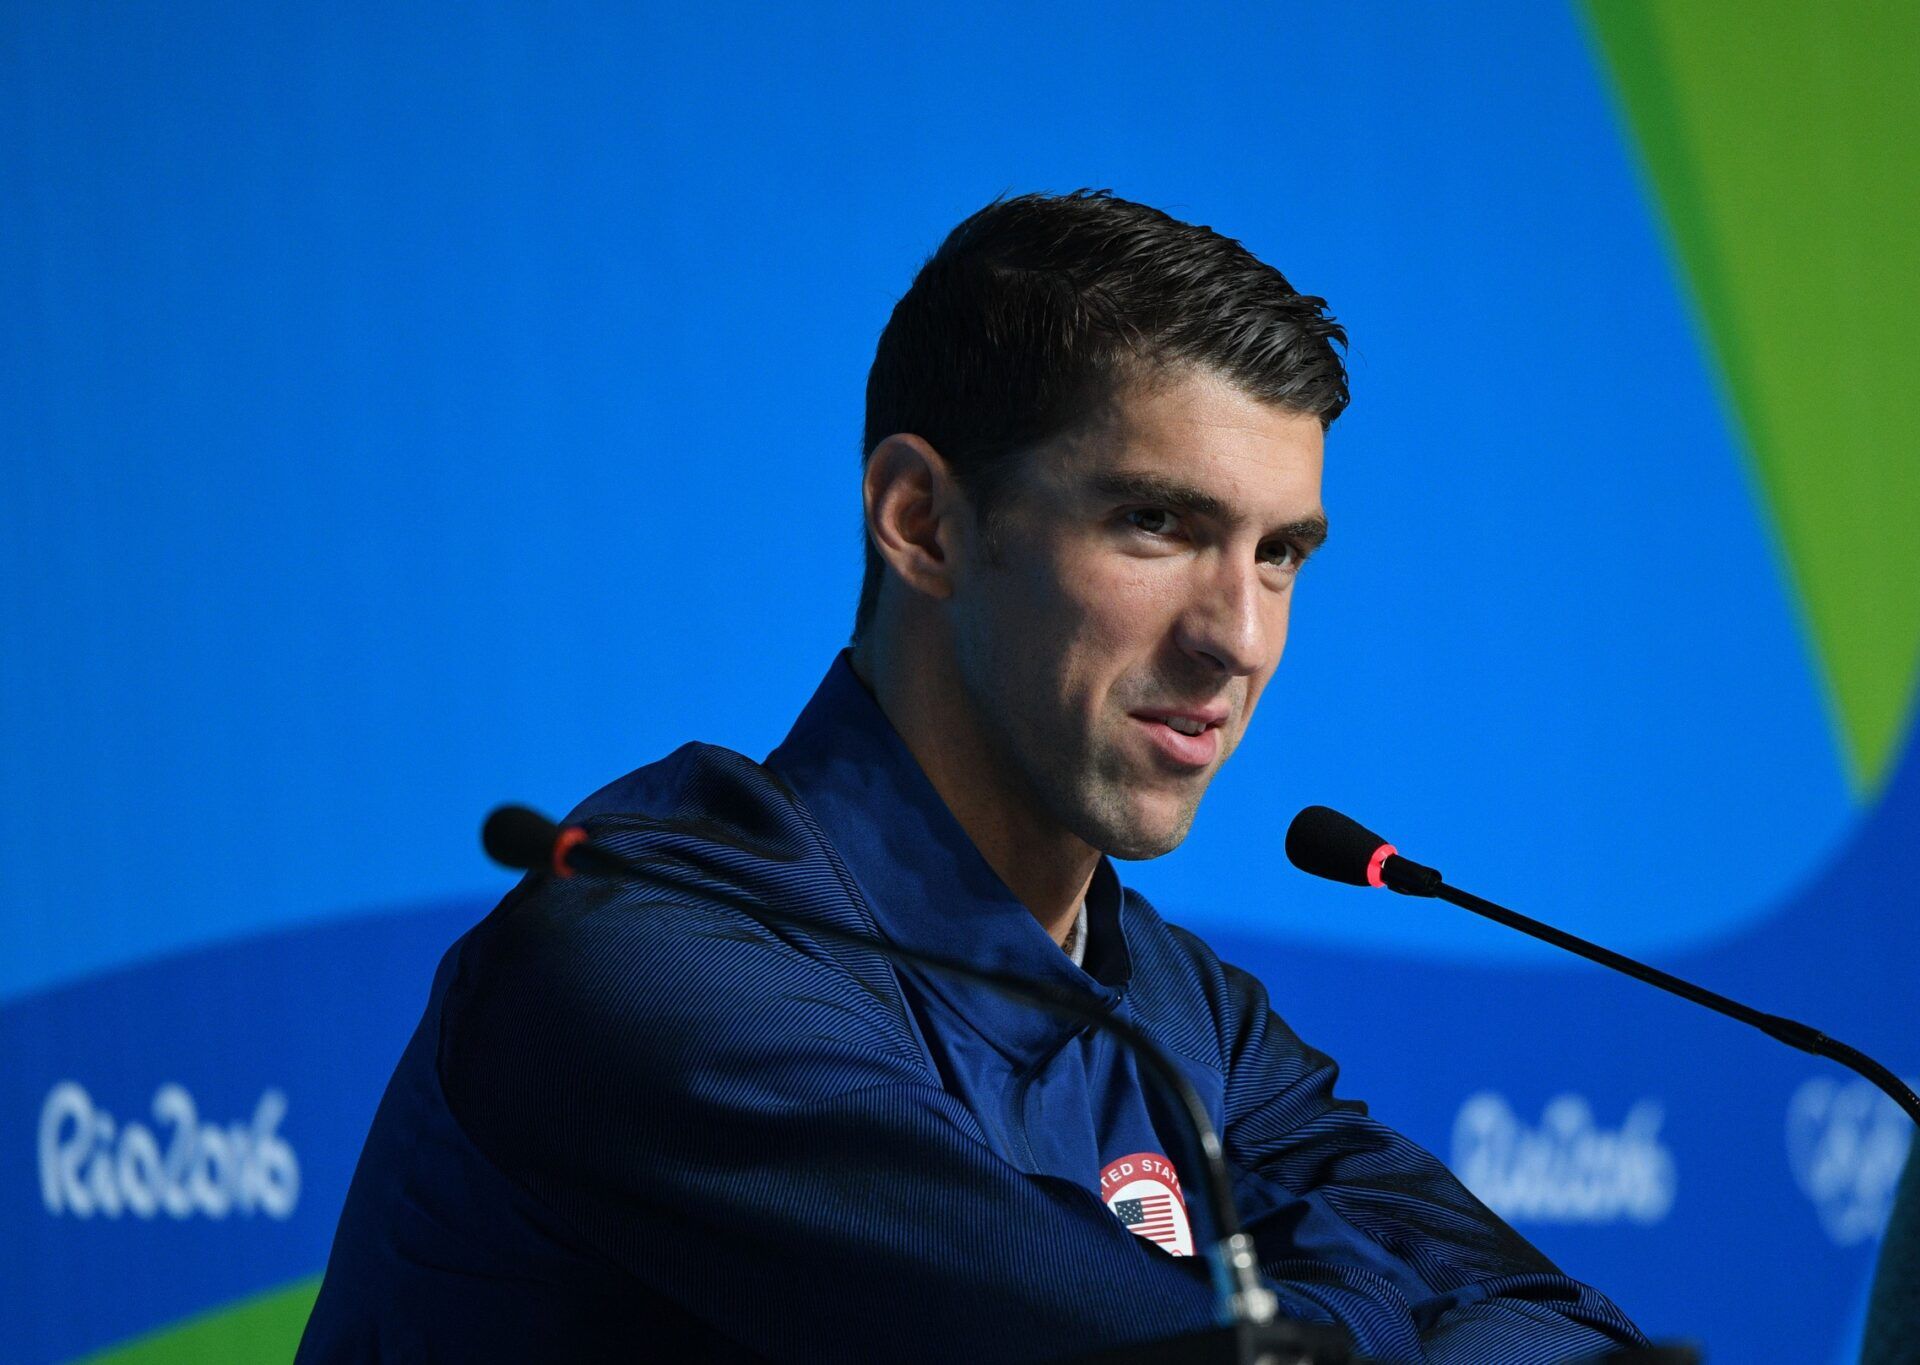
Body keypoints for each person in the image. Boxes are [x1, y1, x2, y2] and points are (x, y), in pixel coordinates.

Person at [298, 189, 1648, 1362]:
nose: (1237, 635)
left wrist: (1312, 1320)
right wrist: (1351, 1299)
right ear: (922, 523)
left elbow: (1571, 1331)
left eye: (1281, 552)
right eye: (1157, 523)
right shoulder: (635, 960)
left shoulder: (1183, 1016)